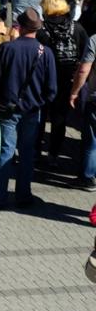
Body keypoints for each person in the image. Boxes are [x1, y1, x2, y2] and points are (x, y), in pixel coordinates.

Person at [0, 7, 57, 208]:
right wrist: (39, 103)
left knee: (6, 151)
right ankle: (23, 195)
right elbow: (52, 88)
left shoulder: (7, 49)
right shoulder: (46, 53)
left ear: (19, 26)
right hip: (33, 110)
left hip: (8, 108)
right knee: (27, 153)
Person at [36, 0, 88, 165]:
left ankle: (34, 152)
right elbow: (85, 56)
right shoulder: (77, 28)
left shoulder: (41, 31)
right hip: (67, 82)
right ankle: (53, 155)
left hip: (44, 81)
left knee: (39, 118)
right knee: (60, 120)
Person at [68, 30, 96, 192]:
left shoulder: (94, 40)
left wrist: (74, 92)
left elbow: (84, 70)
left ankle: (87, 178)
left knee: (91, 141)